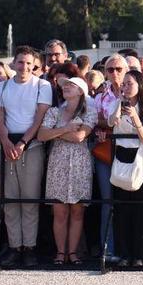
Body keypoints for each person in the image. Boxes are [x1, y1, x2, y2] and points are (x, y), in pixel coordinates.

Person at [0, 45, 53, 267]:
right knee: (9, 200)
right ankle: (14, 246)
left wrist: (23, 142)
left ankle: (29, 247)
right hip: (6, 146)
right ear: (13, 63)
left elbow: (39, 118)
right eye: (20, 62)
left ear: (34, 64)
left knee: (29, 200)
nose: (24, 66)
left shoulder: (42, 85)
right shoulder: (2, 86)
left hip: (32, 146)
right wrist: (6, 142)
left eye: (28, 63)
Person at [37, 76, 96, 265]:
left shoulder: (90, 112)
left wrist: (58, 132)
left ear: (81, 91)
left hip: (80, 164)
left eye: (72, 85)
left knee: (78, 211)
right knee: (60, 211)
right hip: (58, 164)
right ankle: (61, 253)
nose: (66, 87)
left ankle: (72, 252)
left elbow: (80, 136)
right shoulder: (54, 111)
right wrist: (66, 128)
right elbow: (42, 135)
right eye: (65, 85)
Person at [109, 70, 143, 268]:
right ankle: (123, 253)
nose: (126, 87)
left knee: (139, 209)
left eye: (130, 83)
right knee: (121, 208)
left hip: (139, 157)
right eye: (124, 84)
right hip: (120, 155)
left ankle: (139, 254)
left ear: (139, 85)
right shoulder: (117, 103)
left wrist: (135, 117)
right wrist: (119, 107)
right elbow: (112, 123)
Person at [93, 53, 127, 261]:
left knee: (127, 201)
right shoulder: (100, 97)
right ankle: (108, 248)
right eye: (110, 69)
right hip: (105, 152)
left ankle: (127, 248)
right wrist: (104, 125)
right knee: (108, 201)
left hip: (130, 151)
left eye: (118, 69)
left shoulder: (140, 92)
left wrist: (107, 124)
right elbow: (96, 121)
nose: (114, 73)